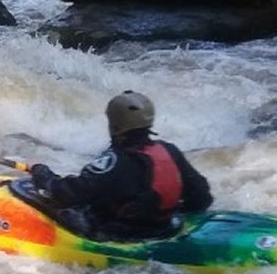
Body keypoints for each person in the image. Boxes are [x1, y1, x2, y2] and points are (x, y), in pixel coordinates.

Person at [27, 91, 212, 240]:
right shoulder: (170, 151)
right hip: (165, 229)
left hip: (121, 235)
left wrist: (42, 175)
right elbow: (202, 198)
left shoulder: (114, 161)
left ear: (114, 125)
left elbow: (67, 194)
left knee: (65, 210)